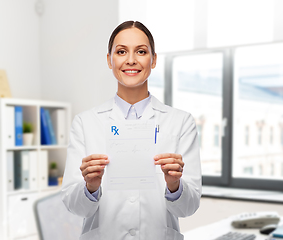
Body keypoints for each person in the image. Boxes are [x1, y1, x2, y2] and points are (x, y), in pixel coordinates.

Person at [61, 20, 202, 240]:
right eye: (121, 51)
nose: (131, 60)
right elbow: (75, 207)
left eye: (141, 51)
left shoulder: (180, 122)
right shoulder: (85, 123)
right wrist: (90, 187)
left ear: (153, 60)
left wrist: (174, 185)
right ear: (109, 60)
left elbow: (188, 208)